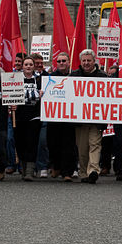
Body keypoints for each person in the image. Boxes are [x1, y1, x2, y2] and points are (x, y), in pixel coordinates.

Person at [70, 49, 107, 184]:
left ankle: (93, 171)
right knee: (82, 147)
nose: (86, 63)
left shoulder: (103, 77)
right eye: (84, 61)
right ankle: (84, 172)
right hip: (80, 119)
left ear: (94, 61)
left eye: (89, 61)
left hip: (97, 119)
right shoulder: (73, 76)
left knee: (95, 144)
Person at [47, 52, 77, 181]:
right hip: (54, 117)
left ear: (69, 62)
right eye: (59, 61)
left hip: (70, 117)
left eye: (64, 61)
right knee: (53, 144)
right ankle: (56, 167)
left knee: (68, 146)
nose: (61, 63)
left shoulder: (75, 76)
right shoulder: (50, 77)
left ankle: (67, 172)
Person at [14, 56, 43, 181]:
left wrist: (43, 94)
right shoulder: (15, 80)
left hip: (34, 117)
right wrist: (11, 104)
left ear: (34, 66)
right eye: (26, 64)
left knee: (31, 143)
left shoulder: (40, 80)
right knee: (20, 143)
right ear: (22, 66)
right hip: (19, 116)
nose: (28, 66)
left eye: (31, 64)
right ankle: (23, 168)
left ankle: (30, 171)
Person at [30, 52, 50, 178]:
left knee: (43, 141)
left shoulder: (49, 76)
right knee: (32, 142)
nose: (39, 66)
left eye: (41, 64)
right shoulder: (27, 77)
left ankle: (43, 166)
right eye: (36, 64)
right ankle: (32, 167)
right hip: (32, 114)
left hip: (46, 113)